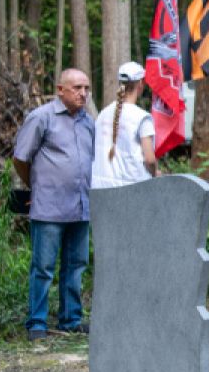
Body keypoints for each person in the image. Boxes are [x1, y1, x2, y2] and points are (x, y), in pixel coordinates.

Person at [13, 68, 95, 341]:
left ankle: (70, 319)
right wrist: (37, 187)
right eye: (77, 88)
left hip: (80, 206)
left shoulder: (87, 122)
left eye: (86, 88)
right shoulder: (42, 118)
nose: (83, 93)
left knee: (76, 265)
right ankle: (36, 323)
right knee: (43, 266)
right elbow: (21, 157)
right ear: (60, 89)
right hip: (49, 207)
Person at [91, 61, 157, 189]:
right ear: (141, 84)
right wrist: (155, 173)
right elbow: (150, 159)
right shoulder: (142, 118)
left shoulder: (103, 114)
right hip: (132, 187)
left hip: (100, 187)